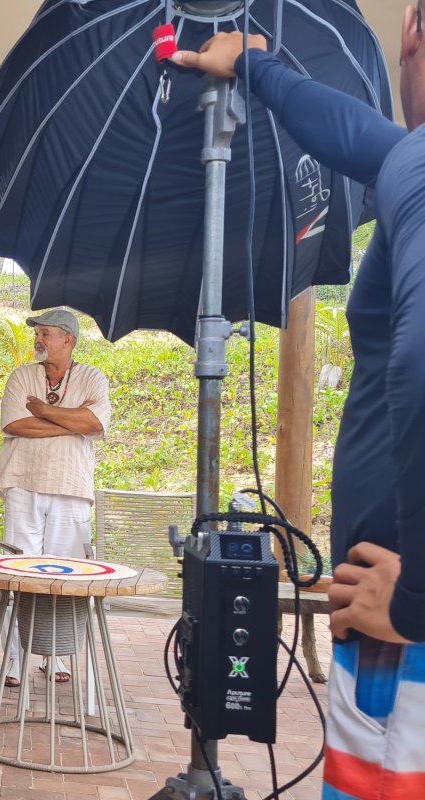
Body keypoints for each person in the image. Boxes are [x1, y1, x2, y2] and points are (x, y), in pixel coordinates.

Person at [173, 14, 425, 798]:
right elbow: (368, 141)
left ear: (415, 27)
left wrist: (418, 602)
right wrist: (259, 68)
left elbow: (420, 362)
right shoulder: (407, 160)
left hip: (401, 626)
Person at [0, 308, 110, 685]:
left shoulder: (92, 377)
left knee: (65, 575)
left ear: (67, 340)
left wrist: (43, 410)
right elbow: (14, 425)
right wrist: (68, 422)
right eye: (37, 334)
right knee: (18, 572)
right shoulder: (21, 376)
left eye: (45, 334)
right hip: (23, 483)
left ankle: (56, 656)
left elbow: (94, 424)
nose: (38, 340)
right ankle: (13, 660)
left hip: (71, 487)